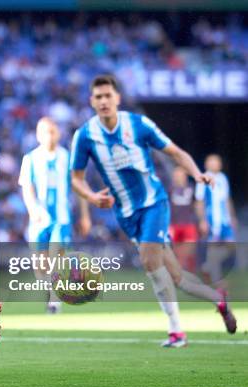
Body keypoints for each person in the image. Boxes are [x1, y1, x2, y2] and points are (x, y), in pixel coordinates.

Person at [70, 75, 236, 348]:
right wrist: (90, 196)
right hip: (126, 214)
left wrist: (196, 173)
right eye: (98, 97)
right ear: (91, 101)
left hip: (153, 203)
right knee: (178, 277)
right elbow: (76, 178)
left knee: (149, 262)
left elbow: (175, 152)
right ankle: (218, 298)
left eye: (107, 96)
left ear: (117, 98)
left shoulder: (138, 124)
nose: (103, 101)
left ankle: (176, 332)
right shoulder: (85, 135)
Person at [18, 117, 89, 314]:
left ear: (58, 133)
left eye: (53, 131)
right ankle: (50, 291)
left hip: (61, 218)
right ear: (38, 135)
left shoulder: (68, 157)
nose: (50, 136)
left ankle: (55, 299)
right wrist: (33, 208)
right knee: (40, 264)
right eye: (45, 132)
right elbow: (27, 188)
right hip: (39, 219)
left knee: (57, 258)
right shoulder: (30, 158)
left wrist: (84, 215)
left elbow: (78, 188)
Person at [195, 154, 237, 287]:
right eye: (212, 162)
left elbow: (226, 199)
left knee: (231, 246)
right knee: (213, 248)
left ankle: (208, 266)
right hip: (212, 220)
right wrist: (202, 220)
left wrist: (232, 217)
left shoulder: (223, 178)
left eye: (217, 162)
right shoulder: (203, 179)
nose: (215, 164)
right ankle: (217, 279)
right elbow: (199, 201)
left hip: (224, 220)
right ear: (207, 164)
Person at [168, 167, 199, 272]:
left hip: (189, 223)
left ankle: (190, 272)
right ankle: (179, 273)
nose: (178, 178)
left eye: (180, 175)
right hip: (174, 224)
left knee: (189, 250)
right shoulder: (170, 189)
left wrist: (201, 220)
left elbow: (197, 204)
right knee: (176, 251)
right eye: (176, 175)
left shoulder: (192, 188)